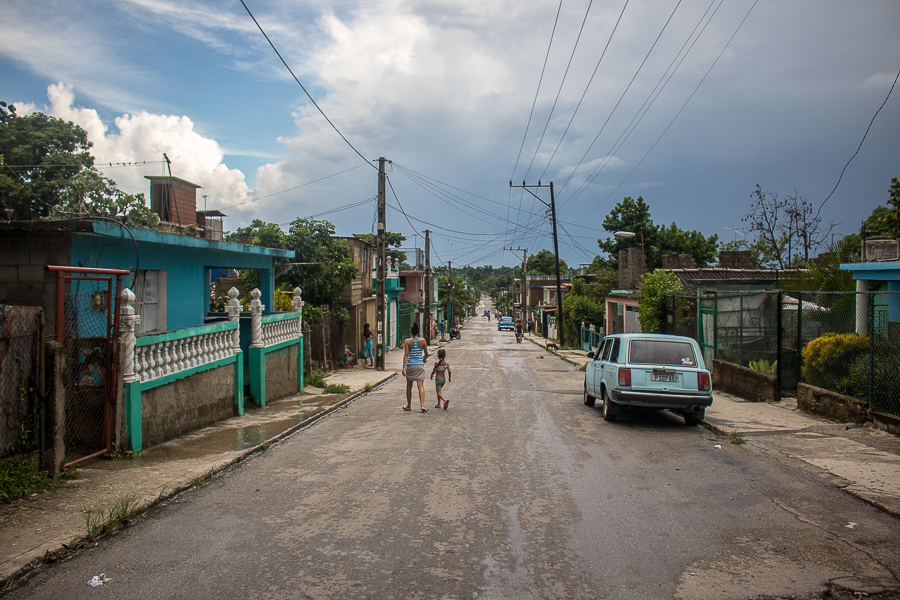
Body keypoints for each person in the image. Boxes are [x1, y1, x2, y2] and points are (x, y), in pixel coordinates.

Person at [401, 322, 430, 412]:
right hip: (419, 365)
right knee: (420, 386)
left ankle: (409, 405)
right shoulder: (423, 341)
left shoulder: (407, 341)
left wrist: (403, 367)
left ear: (410, 331)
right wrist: (424, 359)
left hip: (410, 366)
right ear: (418, 332)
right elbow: (426, 353)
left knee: (409, 386)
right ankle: (422, 405)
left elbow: (406, 354)